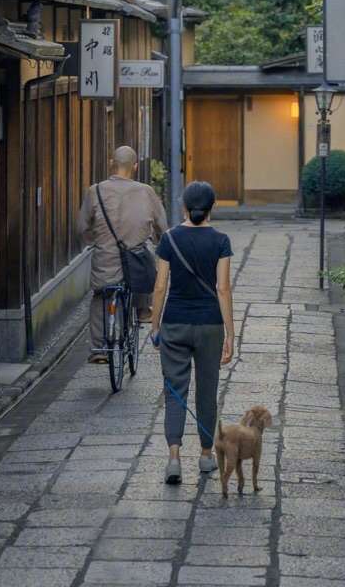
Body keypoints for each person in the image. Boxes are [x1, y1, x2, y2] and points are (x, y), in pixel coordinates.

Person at [150, 180, 235, 485]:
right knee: (207, 390)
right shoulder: (221, 241)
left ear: (184, 207)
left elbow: (160, 286)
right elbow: (223, 289)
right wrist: (231, 333)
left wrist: (155, 324)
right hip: (210, 324)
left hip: (174, 321)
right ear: (212, 208)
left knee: (175, 390)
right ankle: (205, 454)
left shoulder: (169, 239)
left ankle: (173, 459)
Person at [76, 144, 167, 362]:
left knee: (101, 297)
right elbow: (162, 227)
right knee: (146, 261)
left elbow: (82, 227)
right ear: (135, 166)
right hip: (136, 259)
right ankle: (144, 310)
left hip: (105, 259)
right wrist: (155, 240)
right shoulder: (146, 191)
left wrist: (95, 241)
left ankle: (98, 350)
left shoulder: (95, 191)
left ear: (111, 163)